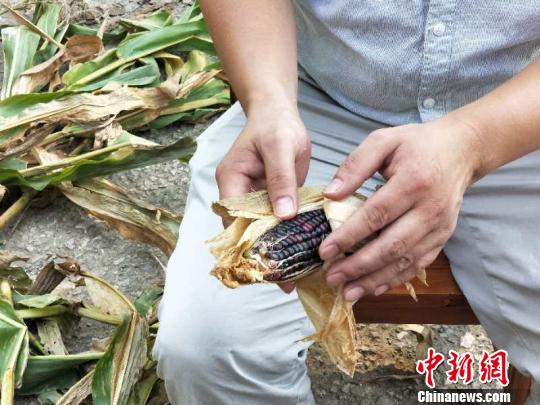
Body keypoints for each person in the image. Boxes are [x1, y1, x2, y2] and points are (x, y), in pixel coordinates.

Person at [153, 1, 540, 404]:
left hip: (520, 117)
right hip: (320, 101)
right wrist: (268, 101)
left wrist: (474, 141)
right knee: (208, 348)